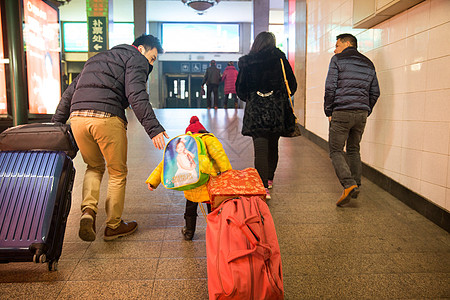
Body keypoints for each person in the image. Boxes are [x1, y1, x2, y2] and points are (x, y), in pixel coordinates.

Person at [52, 34, 169, 241]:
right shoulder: (136, 59)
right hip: (107, 117)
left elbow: (69, 93)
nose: (151, 64)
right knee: (117, 172)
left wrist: (56, 125)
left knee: (93, 166)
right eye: (152, 58)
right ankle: (113, 225)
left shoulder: (97, 59)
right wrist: (154, 129)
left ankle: (88, 212)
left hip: (78, 118)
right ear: (141, 49)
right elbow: (136, 94)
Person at [146, 116, 232, 240]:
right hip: (207, 182)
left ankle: (189, 232)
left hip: (190, 182)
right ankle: (216, 232)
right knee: (212, 209)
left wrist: (153, 181)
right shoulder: (208, 138)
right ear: (203, 131)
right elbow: (219, 154)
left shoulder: (183, 144)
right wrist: (227, 172)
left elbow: (165, 163)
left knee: (190, 209)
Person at [236, 31, 297, 200]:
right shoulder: (280, 60)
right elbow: (292, 85)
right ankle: (269, 179)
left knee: (260, 150)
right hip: (276, 109)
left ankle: (263, 187)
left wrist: (253, 97)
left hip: (256, 110)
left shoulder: (247, 63)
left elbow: (240, 90)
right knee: (273, 146)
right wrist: (278, 94)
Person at [324, 33, 380, 206]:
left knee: (335, 150)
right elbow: (375, 92)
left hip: (342, 111)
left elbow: (330, 87)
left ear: (348, 43)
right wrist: (365, 109)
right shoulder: (368, 63)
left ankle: (349, 184)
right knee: (354, 149)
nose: (335, 49)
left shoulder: (337, 60)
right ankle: (356, 184)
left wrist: (328, 110)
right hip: (361, 113)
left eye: (337, 45)